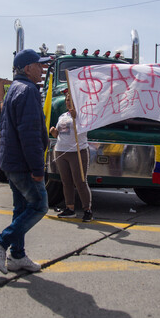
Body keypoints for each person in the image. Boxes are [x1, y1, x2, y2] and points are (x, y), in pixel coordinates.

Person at [0, 49, 51, 273]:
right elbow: (29, 133)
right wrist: (37, 168)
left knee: (21, 207)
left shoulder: (13, 89)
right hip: (23, 164)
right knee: (40, 206)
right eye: (38, 65)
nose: (42, 69)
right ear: (27, 68)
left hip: (11, 162)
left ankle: (18, 256)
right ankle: (0, 242)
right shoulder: (29, 90)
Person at [50, 91, 92, 222]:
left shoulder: (83, 115)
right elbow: (60, 134)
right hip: (61, 151)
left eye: (71, 100)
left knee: (80, 181)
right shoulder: (62, 116)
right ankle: (70, 208)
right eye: (67, 100)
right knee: (66, 181)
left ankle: (87, 210)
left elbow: (85, 129)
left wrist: (77, 118)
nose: (68, 102)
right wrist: (53, 132)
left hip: (77, 152)